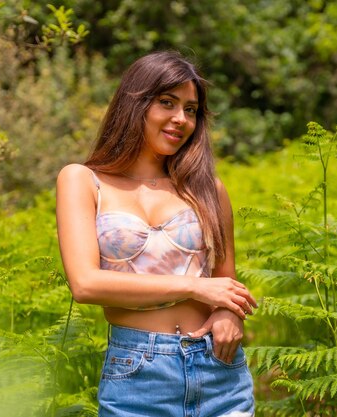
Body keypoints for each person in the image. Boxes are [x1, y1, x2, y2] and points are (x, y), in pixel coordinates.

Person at [55, 50, 257, 417]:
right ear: (135, 104)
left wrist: (230, 316)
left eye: (191, 109)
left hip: (220, 371)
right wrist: (194, 287)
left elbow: (225, 284)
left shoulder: (209, 188)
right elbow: (85, 284)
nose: (180, 119)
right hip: (138, 374)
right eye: (167, 103)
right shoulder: (83, 180)